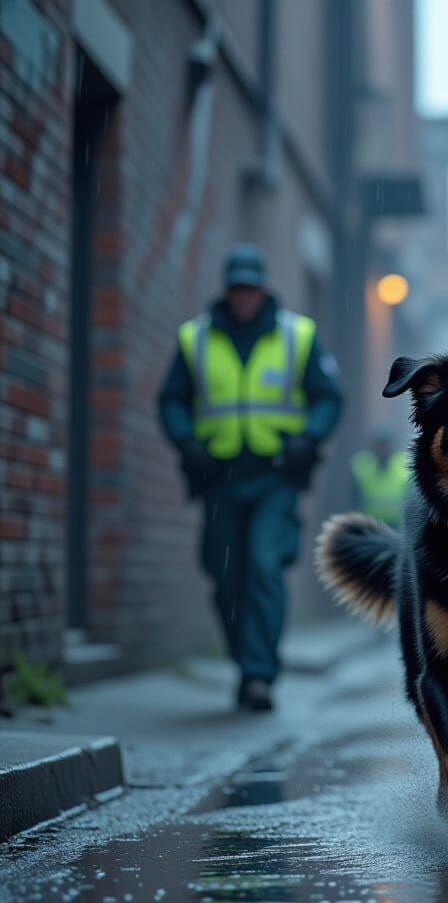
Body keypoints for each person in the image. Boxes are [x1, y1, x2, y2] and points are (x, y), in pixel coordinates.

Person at [158, 243, 342, 711]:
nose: (244, 296)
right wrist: (187, 442)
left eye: (251, 288)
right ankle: (245, 662)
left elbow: (328, 397)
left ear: (263, 289)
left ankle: (259, 675)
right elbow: (172, 400)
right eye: (236, 288)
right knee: (224, 574)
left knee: (262, 564)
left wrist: (309, 436)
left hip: (275, 474)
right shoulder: (195, 339)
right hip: (218, 477)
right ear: (227, 289)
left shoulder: (297, 335)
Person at [350, 427, 411, 528]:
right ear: (373, 446)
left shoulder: (402, 465)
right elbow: (354, 496)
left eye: (385, 445)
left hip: (396, 523)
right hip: (369, 522)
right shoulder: (362, 464)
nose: (383, 449)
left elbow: (410, 497)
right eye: (380, 445)